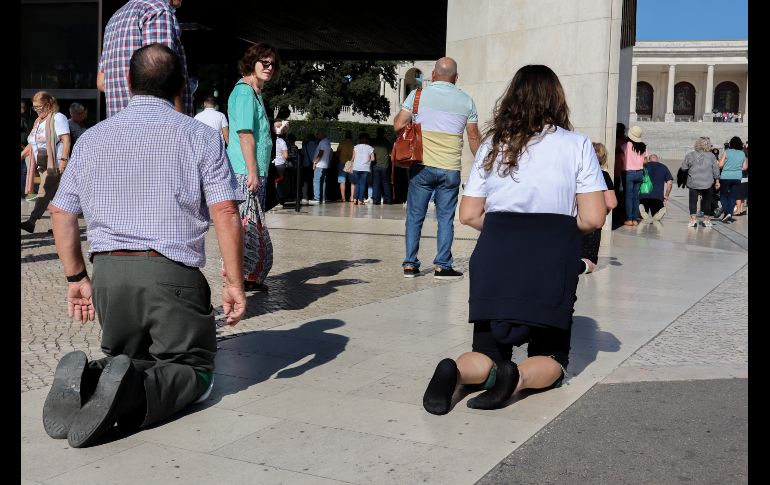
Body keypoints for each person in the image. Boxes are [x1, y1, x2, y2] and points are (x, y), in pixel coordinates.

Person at [43, 44, 246, 448]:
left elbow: (61, 213)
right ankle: (130, 396)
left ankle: (91, 379)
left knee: (129, 357)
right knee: (191, 366)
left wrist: (77, 277)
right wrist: (235, 282)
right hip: (170, 275)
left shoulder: (93, 138)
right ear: (180, 87)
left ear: (128, 83)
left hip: (109, 278)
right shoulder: (199, 137)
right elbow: (225, 211)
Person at [422, 64, 607, 415]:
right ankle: (517, 378)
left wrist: (508, 229)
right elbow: (593, 217)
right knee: (552, 355)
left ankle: (457, 371)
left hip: (497, 253)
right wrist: (557, 232)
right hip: (551, 258)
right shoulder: (577, 145)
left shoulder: (493, 144)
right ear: (557, 100)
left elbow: (469, 214)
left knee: (486, 351)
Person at [393, 57, 481, 279]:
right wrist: (483, 166)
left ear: (433, 75)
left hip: (422, 166)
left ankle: (410, 265)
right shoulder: (467, 101)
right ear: (456, 77)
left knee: (415, 217)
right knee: (445, 219)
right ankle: (443, 265)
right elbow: (473, 138)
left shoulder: (417, 95)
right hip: (450, 168)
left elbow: (398, 124)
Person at [226, 43, 278, 292]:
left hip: (254, 170)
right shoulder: (245, 92)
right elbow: (245, 134)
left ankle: (249, 276)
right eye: (264, 62)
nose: (269, 67)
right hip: (245, 171)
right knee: (248, 224)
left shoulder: (255, 93)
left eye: (272, 64)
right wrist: (253, 171)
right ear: (252, 63)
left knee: (253, 223)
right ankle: (242, 276)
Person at [97, 0, 193, 117]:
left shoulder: (115, 18)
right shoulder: (157, 10)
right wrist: (182, 124)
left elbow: (101, 82)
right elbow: (164, 75)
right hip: (158, 126)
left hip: (119, 128)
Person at [21, 91, 72, 233]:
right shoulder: (38, 122)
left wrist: (63, 160)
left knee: (43, 191)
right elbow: (32, 143)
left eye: (39, 107)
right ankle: (62, 226)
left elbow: (66, 140)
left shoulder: (58, 118)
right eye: (34, 107)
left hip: (54, 164)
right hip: (42, 165)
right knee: (57, 197)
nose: (37, 110)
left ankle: (31, 221)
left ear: (48, 105)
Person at [580, 142, 617, 274]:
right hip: (591, 226)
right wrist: (601, 212)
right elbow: (611, 203)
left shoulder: (576, 173)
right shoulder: (602, 176)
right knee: (587, 263)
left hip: (570, 224)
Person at [681, 137, 720, 228]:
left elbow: (684, 168)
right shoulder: (711, 156)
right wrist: (717, 181)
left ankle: (693, 220)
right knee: (707, 201)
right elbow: (716, 170)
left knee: (693, 201)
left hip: (694, 181)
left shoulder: (690, 155)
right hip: (708, 182)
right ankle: (706, 220)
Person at [621, 125, 647, 226]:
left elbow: (619, 152)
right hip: (639, 173)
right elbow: (645, 161)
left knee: (628, 196)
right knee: (636, 197)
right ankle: (635, 219)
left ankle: (629, 219)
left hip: (628, 173)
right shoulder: (643, 146)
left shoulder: (626, 145)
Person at [716, 136, 747, 223]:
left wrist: (727, 166)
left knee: (723, 196)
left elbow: (720, 165)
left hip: (726, 176)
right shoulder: (742, 153)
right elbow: (745, 167)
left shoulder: (727, 152)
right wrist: (736, 169)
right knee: (733, 196)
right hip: (737, 177)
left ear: (731, 144)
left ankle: (727, 212)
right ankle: (729, 214)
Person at [638, 153, 673, 221]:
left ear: (648, 159)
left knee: (642, 214)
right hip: (657, 196)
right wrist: (666, 195)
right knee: (656, 215)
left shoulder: (644, 166)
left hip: (644, 195)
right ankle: (658, 211)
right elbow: (670, 183)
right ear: (658, 159)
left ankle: (642, 211)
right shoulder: (664, 167)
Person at [309, 129, 332, 205]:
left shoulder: (322, 142)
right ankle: (322, 198)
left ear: (322, 134)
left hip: (320, 164)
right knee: (323, 181)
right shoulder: (328, 142)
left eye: (318, 134)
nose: (317, 135)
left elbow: (321, 153)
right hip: (325, 164)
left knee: (316, 180)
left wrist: (315, 162)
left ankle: (317, 198)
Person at [350, 132, 375, 205]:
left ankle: (355, 199)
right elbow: (373, 159)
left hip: (356, 167)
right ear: (367, 139)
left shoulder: (356, 147)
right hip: (365, 168)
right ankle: (360, 200)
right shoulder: (370, 148)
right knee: (363, 184)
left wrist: (350, 163)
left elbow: (353, 158)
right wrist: (367, 161)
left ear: (360, 139)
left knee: (357, 184)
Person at [371, 127, 393, 205]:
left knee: (376, 183)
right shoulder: (387, 142)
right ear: (383, 133)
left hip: (376, 165)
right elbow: (391, 152)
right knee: (386, 183)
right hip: (385, 165)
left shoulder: (373, 141)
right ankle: (388, 200)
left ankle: (376, 200)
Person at [272, 120, 289, 203]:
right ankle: (280, 199)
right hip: (280, 164)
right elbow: (285, 156)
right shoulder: (282, 142)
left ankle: (275, 198)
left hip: (273, 163)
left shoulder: (272, 140)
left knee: (275, 182)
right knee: (280, 183)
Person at [335, 130, 354, 202]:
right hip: (351, 163)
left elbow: (337, 153)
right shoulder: (353, 144)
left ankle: (343, 198)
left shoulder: (342, 143)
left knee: (342, 181)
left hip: (342, 163)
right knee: (352, 181)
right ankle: (352, 197)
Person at [300, 133, 317, 204]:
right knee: (314, 181)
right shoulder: (317, 145)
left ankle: (305, 197)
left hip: (306, 165)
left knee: (305, 182)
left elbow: (302, 153)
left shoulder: (305, 145)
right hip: (315, 165)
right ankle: (313, 196)